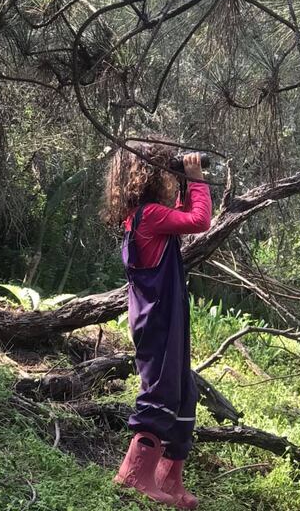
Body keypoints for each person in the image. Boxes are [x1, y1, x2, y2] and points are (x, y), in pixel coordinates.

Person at [102, 143, 212, 509]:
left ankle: (168, 476)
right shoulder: (148, 216)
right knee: (161, 391)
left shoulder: (143, 217)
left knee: (184, 391)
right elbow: (198, 221)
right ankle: (133, 474)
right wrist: (197, 180)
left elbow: (180, 217)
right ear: (149, 176)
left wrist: (183, 183)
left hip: (164, 316)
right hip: (158, 318)